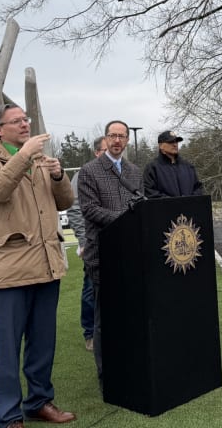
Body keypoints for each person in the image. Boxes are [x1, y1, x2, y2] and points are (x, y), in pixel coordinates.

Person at [0, 104, 76, 428]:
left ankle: (39, 402)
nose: (25, 124)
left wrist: (58, 176)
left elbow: (65, 202)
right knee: (7, 348)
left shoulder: (40, 162)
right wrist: (23, 156)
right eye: (16, 121)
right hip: (12, 270)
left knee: (43, 344)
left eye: (26, 120)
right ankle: (9, 415)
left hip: (47, 265)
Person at [77, 120, 143, 389]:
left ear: (127, 140)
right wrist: (125, 219)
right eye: (113, 136)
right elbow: (90, 210)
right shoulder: (89, 171)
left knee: (132, 313)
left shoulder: (134, 171)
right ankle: (108, 375)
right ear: (105, 139)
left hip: (132, 252)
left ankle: (133, 365)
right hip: (103, 253)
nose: (117, 140)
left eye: (122, 136)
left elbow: (141, 204)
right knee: (105, 319)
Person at [66, 136, 107, 352]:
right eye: (105, 149)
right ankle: (90, 333)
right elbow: (74, 208)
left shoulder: (120, 173)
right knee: (91, 288)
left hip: (117, 243)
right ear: (96, 152)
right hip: (93, 244)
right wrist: (83, 241)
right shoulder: (83, 175)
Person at [142, 130, 204, 198]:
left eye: (176, 141)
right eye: (170, 142)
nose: (175, 144)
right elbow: (150, 192)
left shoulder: (188, 167)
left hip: (189, 207)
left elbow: (198, 188)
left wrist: (189, 201)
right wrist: (173, 203)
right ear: (161, 146)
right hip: (165, 208)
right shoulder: (152, 168)